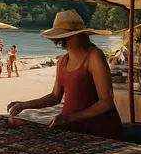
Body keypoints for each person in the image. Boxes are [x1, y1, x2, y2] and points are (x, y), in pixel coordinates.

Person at [7, 10, 123, 140]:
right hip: (71, 129)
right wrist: (24, 105)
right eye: (59, 39)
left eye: (66, 38)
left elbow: (106, 102)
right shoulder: (63, 61)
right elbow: (55, 96)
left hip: (99, 132)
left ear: (80, 35)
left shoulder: (94, 56)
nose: (61, 43)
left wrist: (69, 118)